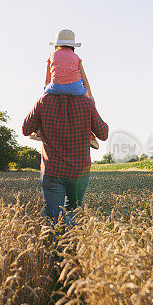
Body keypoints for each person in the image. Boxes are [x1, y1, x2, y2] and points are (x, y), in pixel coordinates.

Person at [22, 84, 108, 227]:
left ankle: (54, 248)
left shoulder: (44, 101)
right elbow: (103, 134)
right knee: (73, 215)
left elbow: (26, 129)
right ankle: (72, 248)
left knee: (52, 219)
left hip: (52, 170)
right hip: (79, 172)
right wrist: (92, 107)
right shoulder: (86, 103)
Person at [32, 29, 99, 149]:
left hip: (55, 87)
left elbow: (47, 80)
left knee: (40, 106)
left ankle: (38, 130)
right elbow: (84, 79)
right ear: (72, 46)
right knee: (88, 108)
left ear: (56, 45)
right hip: (75, 88)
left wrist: (45, 93)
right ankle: (90, 135)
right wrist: (90, 97)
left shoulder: (51, 56)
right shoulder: (76, 57)